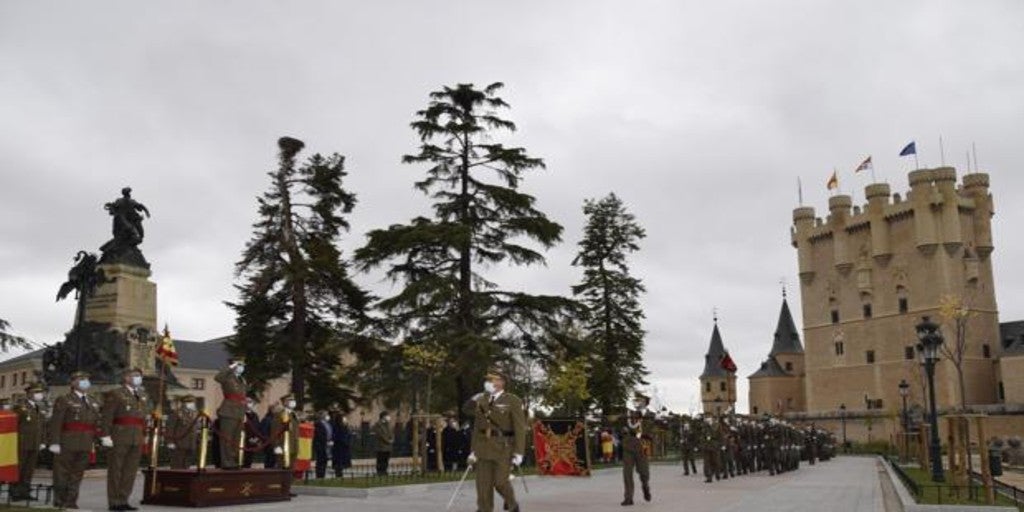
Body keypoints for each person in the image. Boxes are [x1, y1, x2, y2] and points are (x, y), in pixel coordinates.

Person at [462, 369, 527, 512]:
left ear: (502, 382)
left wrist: (519, 452)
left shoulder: (512, 400)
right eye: (489, 380)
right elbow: (472, 418)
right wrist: (473, 450)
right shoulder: (481, 399)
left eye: (494, 379)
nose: (490, 382)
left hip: (503, 447)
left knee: (500, 482)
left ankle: (512, 504)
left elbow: (520, 428)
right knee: (483, 484)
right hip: (483, 446)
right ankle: (484, 509)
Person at [48, 371, 103, 510]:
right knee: (61, 473)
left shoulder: (93, 401)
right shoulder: (64, 399)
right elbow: (56, 422)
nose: (85, 381)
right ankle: (60, 500)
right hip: (67, 442)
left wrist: (98, 439)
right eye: (81, 379)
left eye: (87, 379)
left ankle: (71, 500)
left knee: (77, 474)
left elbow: (95, 423)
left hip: (85, 442)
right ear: (73, 383)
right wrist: (54, 442)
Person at [100, 367, 151, 511]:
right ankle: (114, 502)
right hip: (120, 435)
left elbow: (143, 417)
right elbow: (107, 416)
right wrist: (105, 435)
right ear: (126, 378)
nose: (138, 378)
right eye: (135, 375)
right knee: (116, 469)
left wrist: (144, 434)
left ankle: (123, 499)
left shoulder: (142, 394)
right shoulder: (116, 394)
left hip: (137, 437)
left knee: (130, 470)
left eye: (139, 376)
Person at [11, 382, 47, 501]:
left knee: (29, 469)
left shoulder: (39, 407)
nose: (39, 395)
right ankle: (15, 492)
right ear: (29, 393)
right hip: (22, 442)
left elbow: (42, 426)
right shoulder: (20, 407)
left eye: (40, 392)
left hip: (35, 443)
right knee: (19, 468)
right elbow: (13, 425)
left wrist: (42, 441)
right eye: (36, 392)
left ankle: (25, 491)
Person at [214, 357, 247, 469]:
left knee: (236, 439)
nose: (241, 367)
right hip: (228, 411)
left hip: (240, 412)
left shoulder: (242, 379)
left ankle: (233, 460)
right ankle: (226, 462)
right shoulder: (227, 377)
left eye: (242, 365)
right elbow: (217, 378)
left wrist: (244, 412)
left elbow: (242, 397)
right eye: (239, 365)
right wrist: (231, 367)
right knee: (226, 438)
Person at [621, 393, 652, 506]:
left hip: (641, 447)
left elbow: (651, 431)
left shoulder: (649, 415)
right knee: (627, 473)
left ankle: (645, 486)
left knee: (644, 473)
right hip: (628, 447)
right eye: (635, 400)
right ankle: (628, 498)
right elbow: (620, 426)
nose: (637, 403)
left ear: (645, 402)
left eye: (639, 401)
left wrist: (645, 432)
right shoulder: (628, 415)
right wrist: (623, 430)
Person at [165, 395, 199, 469]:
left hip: (190, 445)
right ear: (184, 403)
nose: (193, 404)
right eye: (190, 402)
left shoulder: (194, 414)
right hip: (179, 445)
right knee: (177, 466)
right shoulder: (176, 414)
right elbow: (170, 429)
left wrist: (196, 442)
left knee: (186, 467)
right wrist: (170, 443)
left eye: (193, 402)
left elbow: (195, 430)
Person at [270, 395, 300, 470]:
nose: (293, 402)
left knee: (291, 468)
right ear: (285, 402)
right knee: (282, 467)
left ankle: (290, 481)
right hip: (283, 444)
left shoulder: (293, 414)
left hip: (293, 445)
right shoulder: (279, 414)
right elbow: (275, 430)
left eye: (293, 400)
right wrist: (276, 445)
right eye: (290, 400)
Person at [242, 397, 262, 468]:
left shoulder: (255, 415)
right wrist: (248, 438)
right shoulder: (242, 414)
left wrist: (256, 438)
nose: (249, 404)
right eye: (247, 402)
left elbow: (258, 427)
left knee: (249, 460)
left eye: (250, 402)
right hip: (243, 441)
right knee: (242, 460)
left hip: (253, 441)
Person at [313, 410, 334, 478]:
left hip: (327, 445)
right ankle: (319, 475)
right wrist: (326, 441)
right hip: (321, 445)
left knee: (325, 460)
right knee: (320, 460)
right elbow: (319, 435)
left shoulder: (328, 423)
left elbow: (330, 432)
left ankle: (323, 474)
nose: (327, 415)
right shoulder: (318, 424)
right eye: (325, 414)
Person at [331, 412, 352, 476]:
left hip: (343, 447)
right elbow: (337, 436)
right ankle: (338, 473)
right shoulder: (336, 426)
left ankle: (340, 472)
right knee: (339, 463)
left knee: (342, 463)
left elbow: (348, 434)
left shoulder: (344, 426)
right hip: (339, 447)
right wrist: (344, 441)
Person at [373, 411, 394, 476]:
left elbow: (392, 433)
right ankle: (380, 472)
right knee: (381, 459)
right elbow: (380, 435)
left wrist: (392, 439)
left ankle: (384, 471)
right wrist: (388, 440)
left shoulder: (388, 424)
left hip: (388, 446)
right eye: (387, 416)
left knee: (386, 459)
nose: (389, 417)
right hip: (381, 446)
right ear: (383, 417)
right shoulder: (378, 425)